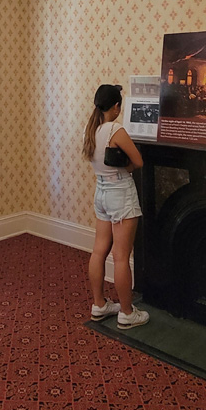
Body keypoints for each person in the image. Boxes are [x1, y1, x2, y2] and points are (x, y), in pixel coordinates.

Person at [81, 83, 149, 329]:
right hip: (120, 193)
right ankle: (127, 313)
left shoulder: (92, 129)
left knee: (99, 251)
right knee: (121, 257)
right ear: (117, 106)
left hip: (101, 192)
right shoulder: (115, 130)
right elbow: (138, 161)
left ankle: (99, 304)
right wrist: (126, 168)